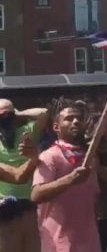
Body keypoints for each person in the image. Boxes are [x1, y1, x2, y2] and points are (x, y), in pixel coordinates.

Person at [31, 98, 101, 252]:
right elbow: (36, 195)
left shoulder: (90, 158)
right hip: (58, 244)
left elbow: (93, 201)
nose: (75, 121)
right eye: (69, 119)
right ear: (56, 127)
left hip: (90, 243)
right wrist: (70, 179)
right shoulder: (49, 156)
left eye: (79, 119)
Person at [0, 99, 47, 252]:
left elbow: (43, 113)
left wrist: (18, 114)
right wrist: (34, 159)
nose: (5, 119)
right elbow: (17, 176)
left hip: (29, 206)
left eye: (8, 115)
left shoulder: (26, 131)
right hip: (5, 209)